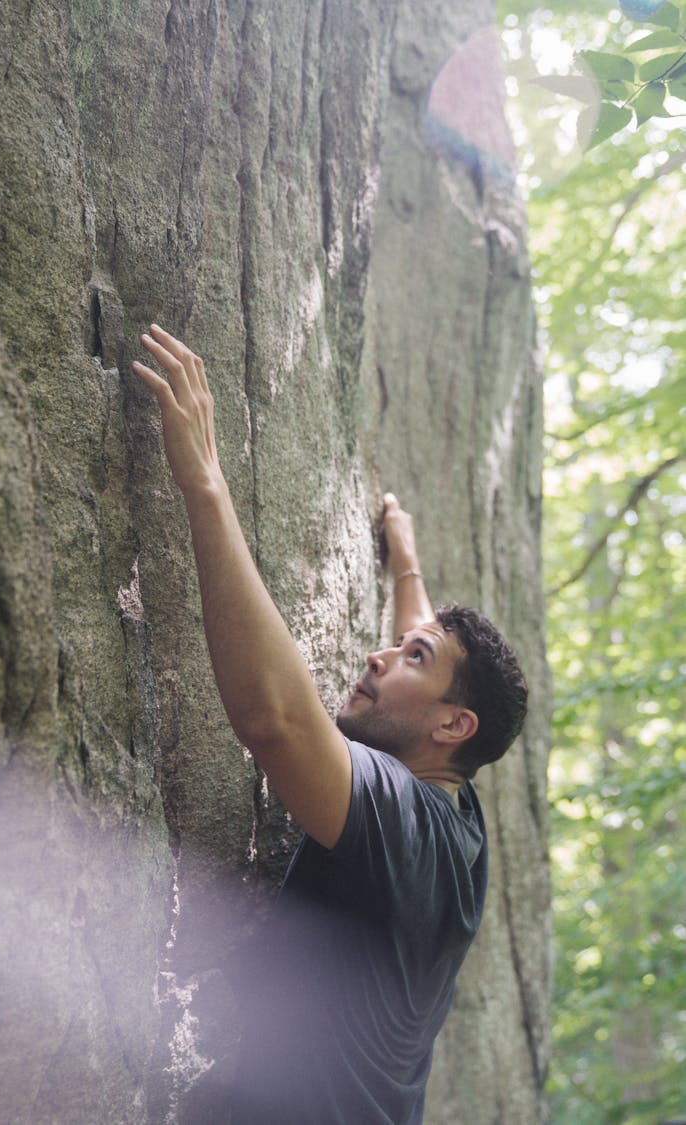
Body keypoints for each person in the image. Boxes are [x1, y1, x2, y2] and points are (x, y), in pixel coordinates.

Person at [133, 325, 528, 1125]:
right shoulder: (459, 815)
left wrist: (205, 482)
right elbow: (426, 676)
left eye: (411, 656)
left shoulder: (407, 824)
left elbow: (274, 719)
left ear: (454, 724)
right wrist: (406, 567)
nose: (382, 656)